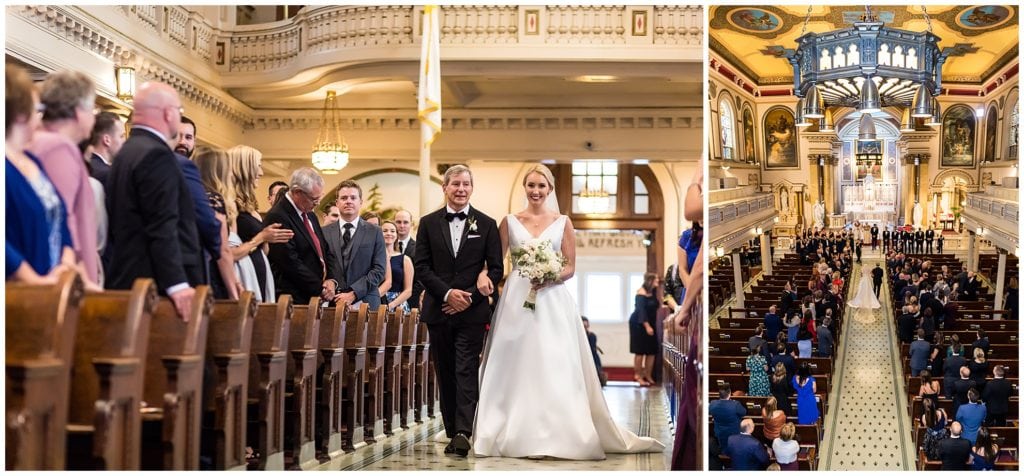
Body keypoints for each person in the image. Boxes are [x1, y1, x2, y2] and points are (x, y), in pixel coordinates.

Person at [472, 164, 662, 459]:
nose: (536, 191)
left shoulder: (563, 221)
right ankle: (508, 428)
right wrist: (485, 276)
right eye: (531, 185)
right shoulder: (509, 221)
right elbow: (497, 261)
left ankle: (558, 430)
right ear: (525, 188)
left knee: (554, 359)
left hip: (551, 298)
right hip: (517, 296)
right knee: (514, 357)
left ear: (549, 190)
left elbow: (571, 267)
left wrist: (549, 276)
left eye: (541, 186)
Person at [105, 81, 200, 320]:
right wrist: (177, 283)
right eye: (179, 111)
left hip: (128, 276)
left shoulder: (126, 153)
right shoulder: (156, 155)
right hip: (154, 285)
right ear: (169, 113)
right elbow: (162, 224)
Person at [29, 70, 101, 288]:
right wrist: (78, 275)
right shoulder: (57, 147)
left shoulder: (40, 141)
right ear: (79, 111)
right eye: (93, 109)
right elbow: (62, 217)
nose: (94, 116)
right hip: (65, 278)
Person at [6, 63, 77, 284]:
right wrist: (32, 279)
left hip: (52, 285)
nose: (41, 118)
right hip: (18, 289)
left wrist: (66, 264)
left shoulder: (33, 161)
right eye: (38, 111)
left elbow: (59, 216)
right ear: (19, 114)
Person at [264, 168, 340, 305]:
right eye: (314, 199)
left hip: (316, 297)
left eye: (319, 198)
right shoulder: (278, 216)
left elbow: (325, 250)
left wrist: (331, 280)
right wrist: (320, 289)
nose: (317, 203)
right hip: (294, 299)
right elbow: (290, 262)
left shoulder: (309, 213)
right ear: (297, 192)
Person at [228, 145, 291, 303]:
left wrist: (268, 238)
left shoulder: (250, 207)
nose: (261, 172)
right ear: (244, 168)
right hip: (242, 277)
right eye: (258, 166)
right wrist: (262, 236)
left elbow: (263, 249)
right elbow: (230, 253)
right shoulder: (229, 205)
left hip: (257, 271)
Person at [322, 180, 387, 310]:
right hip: (333, 301)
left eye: (353, 197)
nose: (348, 201)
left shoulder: (375, 231)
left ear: (360, 202)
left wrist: (354, 293)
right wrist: (329, 283)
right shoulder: (324, 232)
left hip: (366, 301)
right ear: (337, 202)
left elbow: (379, 270)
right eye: (344, 198)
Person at [192, 146, 245, 300]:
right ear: (219, 171)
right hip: (213, 273)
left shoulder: (195, 197)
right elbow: (223, 250)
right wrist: (234, 292)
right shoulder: (214, 199)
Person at [629, 272, 661, 386]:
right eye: (656, 279)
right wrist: (647, 326)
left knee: (652, 351)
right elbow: (641, 311)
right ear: (650, 280)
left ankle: (648, 375)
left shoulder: (653, 292)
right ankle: (638, 376)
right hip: (638, 324)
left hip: (651, 323)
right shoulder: (641, 293)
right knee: (640, 351)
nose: (658, 281)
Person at [380, 220, 414, 312]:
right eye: (385, 231)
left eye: (392, 231)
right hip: (377, 301)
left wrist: (391, 305)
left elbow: (408, 290)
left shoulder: (405, 259)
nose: (389, 233)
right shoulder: (373, 258)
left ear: (396, 235)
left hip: (398, 305)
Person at [86, 111, 125, 186]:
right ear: (107, 140)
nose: (125, 141)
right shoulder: (108, 174)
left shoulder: (85, 165)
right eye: (121, 136)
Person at [709, 384, 746, 453]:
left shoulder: (712, 404)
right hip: (734, 433)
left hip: (720, 433)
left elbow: (710, 412)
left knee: (724, 450)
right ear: (729, 394)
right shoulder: (735, 404)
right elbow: (743, 412)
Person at [581, 317, 605, 386]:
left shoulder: (591, 336)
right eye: (583, 327)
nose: (585, 329)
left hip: (591, 358)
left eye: (586, 326)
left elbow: (591, 352)